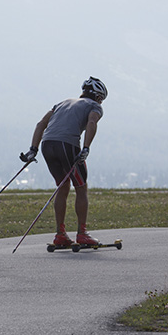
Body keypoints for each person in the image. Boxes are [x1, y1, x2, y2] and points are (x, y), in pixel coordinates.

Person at [20, 77, 107, 246]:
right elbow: (91, 122)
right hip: (67, 145)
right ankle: (82, 234)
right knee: (81, 187)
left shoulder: (62, 103)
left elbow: (41, 123)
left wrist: (33, 149)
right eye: (102, 100)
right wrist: (86, 148)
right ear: (98, 97)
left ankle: (60, 235)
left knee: (62, 186)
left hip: (47, 145)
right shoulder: (94, 106)